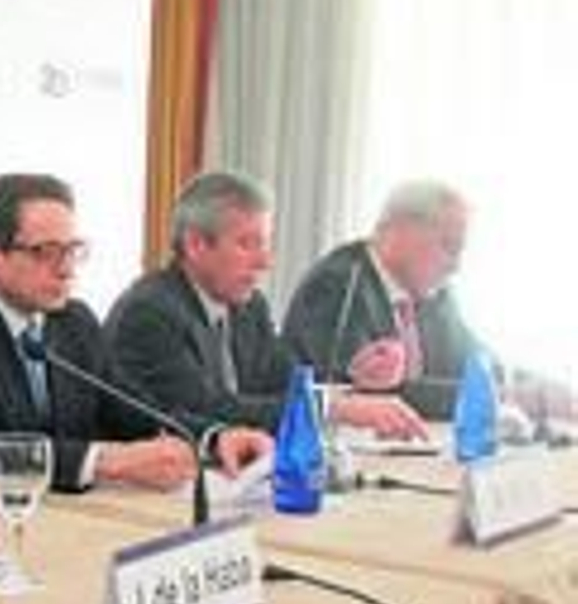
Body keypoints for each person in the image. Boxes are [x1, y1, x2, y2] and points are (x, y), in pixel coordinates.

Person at [0, 173, 272, 493]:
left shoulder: (73, 323)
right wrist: (103, 462)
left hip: (61, 517)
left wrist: (213, 439)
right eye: (46, 252)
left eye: (72, 251)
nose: (66, 269)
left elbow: (134, 409)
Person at [104, 171, 427, 438]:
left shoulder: (248, 306)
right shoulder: (150, 312)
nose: (265, 262)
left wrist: (351, 378)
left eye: (266, 244)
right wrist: (334, 408)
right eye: (247, 244)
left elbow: (285, 381)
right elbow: (207, 409)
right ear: (196, 244)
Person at [281, 181, 477, 420]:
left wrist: (517, 386)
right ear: (399, 229)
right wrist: (485, 394)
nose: (455, 266)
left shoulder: (435, 292)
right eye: (449, 246)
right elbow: (364, 395)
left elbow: (474, 362)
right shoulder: (338, 284)